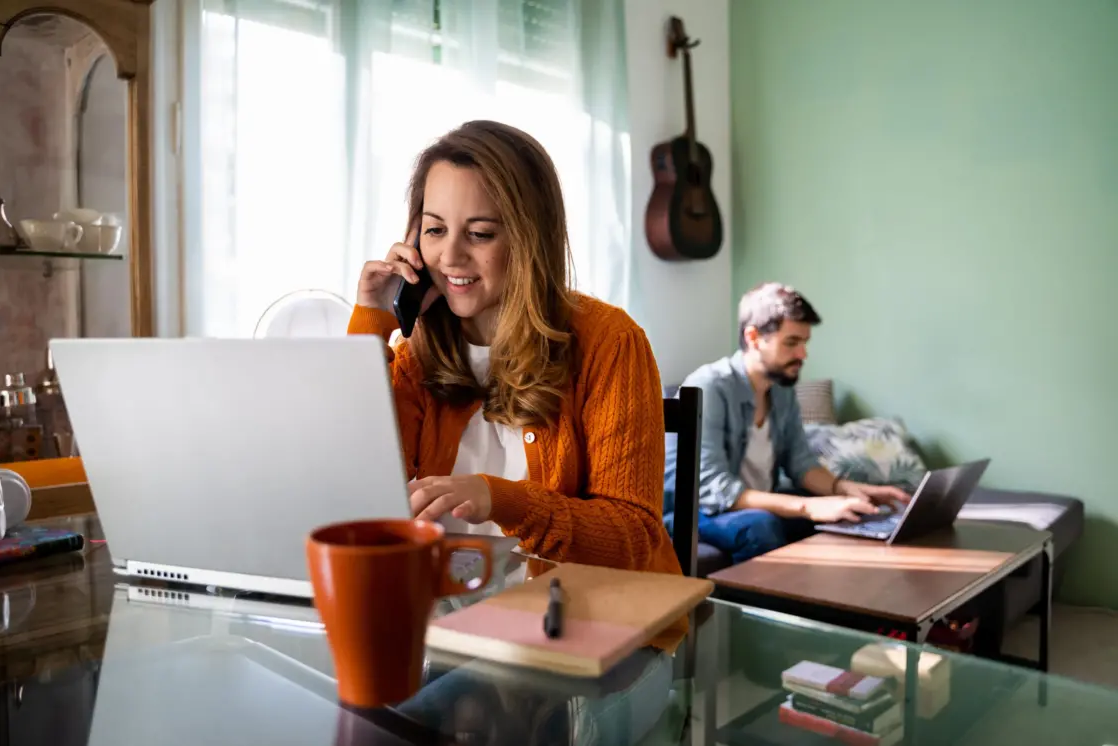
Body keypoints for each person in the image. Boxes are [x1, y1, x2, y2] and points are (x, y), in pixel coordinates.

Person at [348, 120, 678, 743]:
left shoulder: (611, 343)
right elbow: (343, 477)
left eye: (480, 234)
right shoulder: (417, 354)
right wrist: (371, 317)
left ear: (529, 239)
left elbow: (634, 536)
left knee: (432, 723)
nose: (450, 258)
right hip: (453, 634)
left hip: (598, 642)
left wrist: (499, 496)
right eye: (435, 230)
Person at [664, 282, 909, 564]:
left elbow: (801, 464)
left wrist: (847, 490)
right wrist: (809, 506)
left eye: (805, 343)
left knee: (848, 513)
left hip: (756, 501)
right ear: (754, 337)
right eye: (792, 342)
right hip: (699, 510)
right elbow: (714, 489)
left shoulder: (781, 389)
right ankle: (752, 607)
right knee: (761, 526)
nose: (802, 355)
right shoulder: (710, 386)